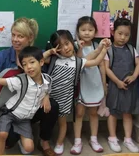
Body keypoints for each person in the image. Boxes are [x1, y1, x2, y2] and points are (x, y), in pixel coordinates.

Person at [0, 17, 59, 156]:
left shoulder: (38, 56)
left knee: (52, 106)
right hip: (8, 109)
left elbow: (45, 80)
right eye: (13, 35)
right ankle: (18, 136)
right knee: (6, 143)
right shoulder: (2, 56)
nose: (15, 39)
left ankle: (43, 142)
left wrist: (46, 95)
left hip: (31, 106)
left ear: (30, 38)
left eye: (20, 36)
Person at [43, 30, 111, 155]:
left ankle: (59, 142)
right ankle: (45, 141)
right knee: (49, 121)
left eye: (67, 43)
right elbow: (38, 60)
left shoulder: (78, 61)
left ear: (72, 42)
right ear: (55, 48)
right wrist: (50, 52)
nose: (65, 48)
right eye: (60, 46)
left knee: (62, 123)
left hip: (65, 100)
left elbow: (95, 61)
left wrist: (103, 49)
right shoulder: (53, 59)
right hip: (49, 99)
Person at [71, 17, 106, 154]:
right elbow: (79, 61)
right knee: (79, 113)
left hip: (94, 82)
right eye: (83, 30)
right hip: (80, 83)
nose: (87, 33)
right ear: (78, 31)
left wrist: (104, 84)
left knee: (93, 113)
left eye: (90, 30)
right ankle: (77, 141)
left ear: (95, 31)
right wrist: (79, 47)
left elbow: (102, 66)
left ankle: (94, 139)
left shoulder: (97, 46)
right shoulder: (74, 45)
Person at [105, 18, 139, 153]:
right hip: (114, 85)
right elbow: (106, 69)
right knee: (112, 112)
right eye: (120, 33)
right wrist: (117, 82)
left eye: (126, 35)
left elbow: (138, 64)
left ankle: (128, 139)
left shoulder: (131, 49)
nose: (123, 37)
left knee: (127, 112)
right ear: (113, 32)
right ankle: (112, 138)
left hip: (130, 87)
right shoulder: (109, 50)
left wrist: (134, 76)